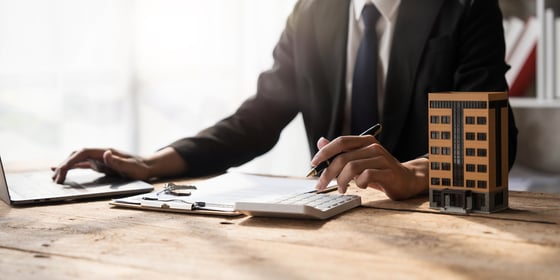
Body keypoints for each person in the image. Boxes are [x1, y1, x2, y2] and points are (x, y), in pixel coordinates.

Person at [52, 0, 518, 201]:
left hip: (432, 220)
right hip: (329, 211)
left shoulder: (468, 8)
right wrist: (149, 163)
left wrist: (411, 175)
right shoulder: (312, 12)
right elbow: (255, 120)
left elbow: (494, 141)